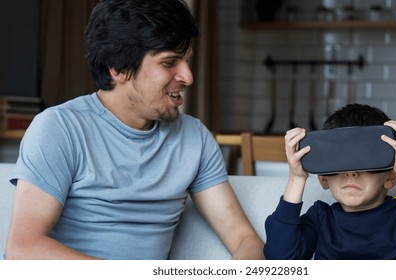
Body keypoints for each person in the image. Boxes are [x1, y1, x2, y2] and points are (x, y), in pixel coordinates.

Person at [4, 0, 264, 260]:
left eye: (186, 60)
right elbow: (23, 248)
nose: (188, 76)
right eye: (169, 62)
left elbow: (243, 238)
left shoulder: (194, 138)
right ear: (118, 68)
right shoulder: (60, 128)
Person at [264, 103, 396, 260]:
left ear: (390, 178)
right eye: (340, 162)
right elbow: (280, 257)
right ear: (324, 178)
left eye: (365, 160)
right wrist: (297, 178)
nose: (351, 172)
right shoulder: (320, 218)